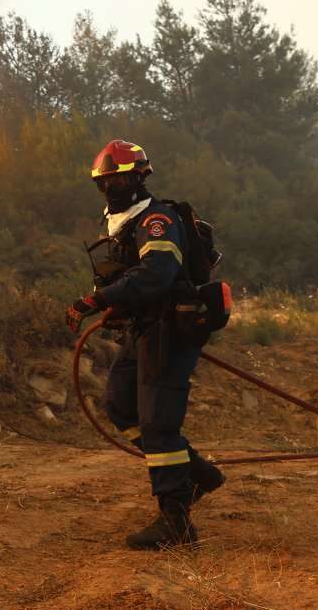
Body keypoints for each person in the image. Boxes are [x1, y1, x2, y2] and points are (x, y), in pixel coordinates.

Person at [66, 140, 224, 550]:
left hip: (170, 332)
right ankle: (197, 474)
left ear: (138, 178)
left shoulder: (157, 220)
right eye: (104, 183)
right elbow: (138, 280)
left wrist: (98, 300)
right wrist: (117, 306)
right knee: (120, 405)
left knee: (158, 425)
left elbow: (157, 274)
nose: (110, 190)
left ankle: (176, 521)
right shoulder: (128, 224)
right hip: (145, 330)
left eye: (117, 180)